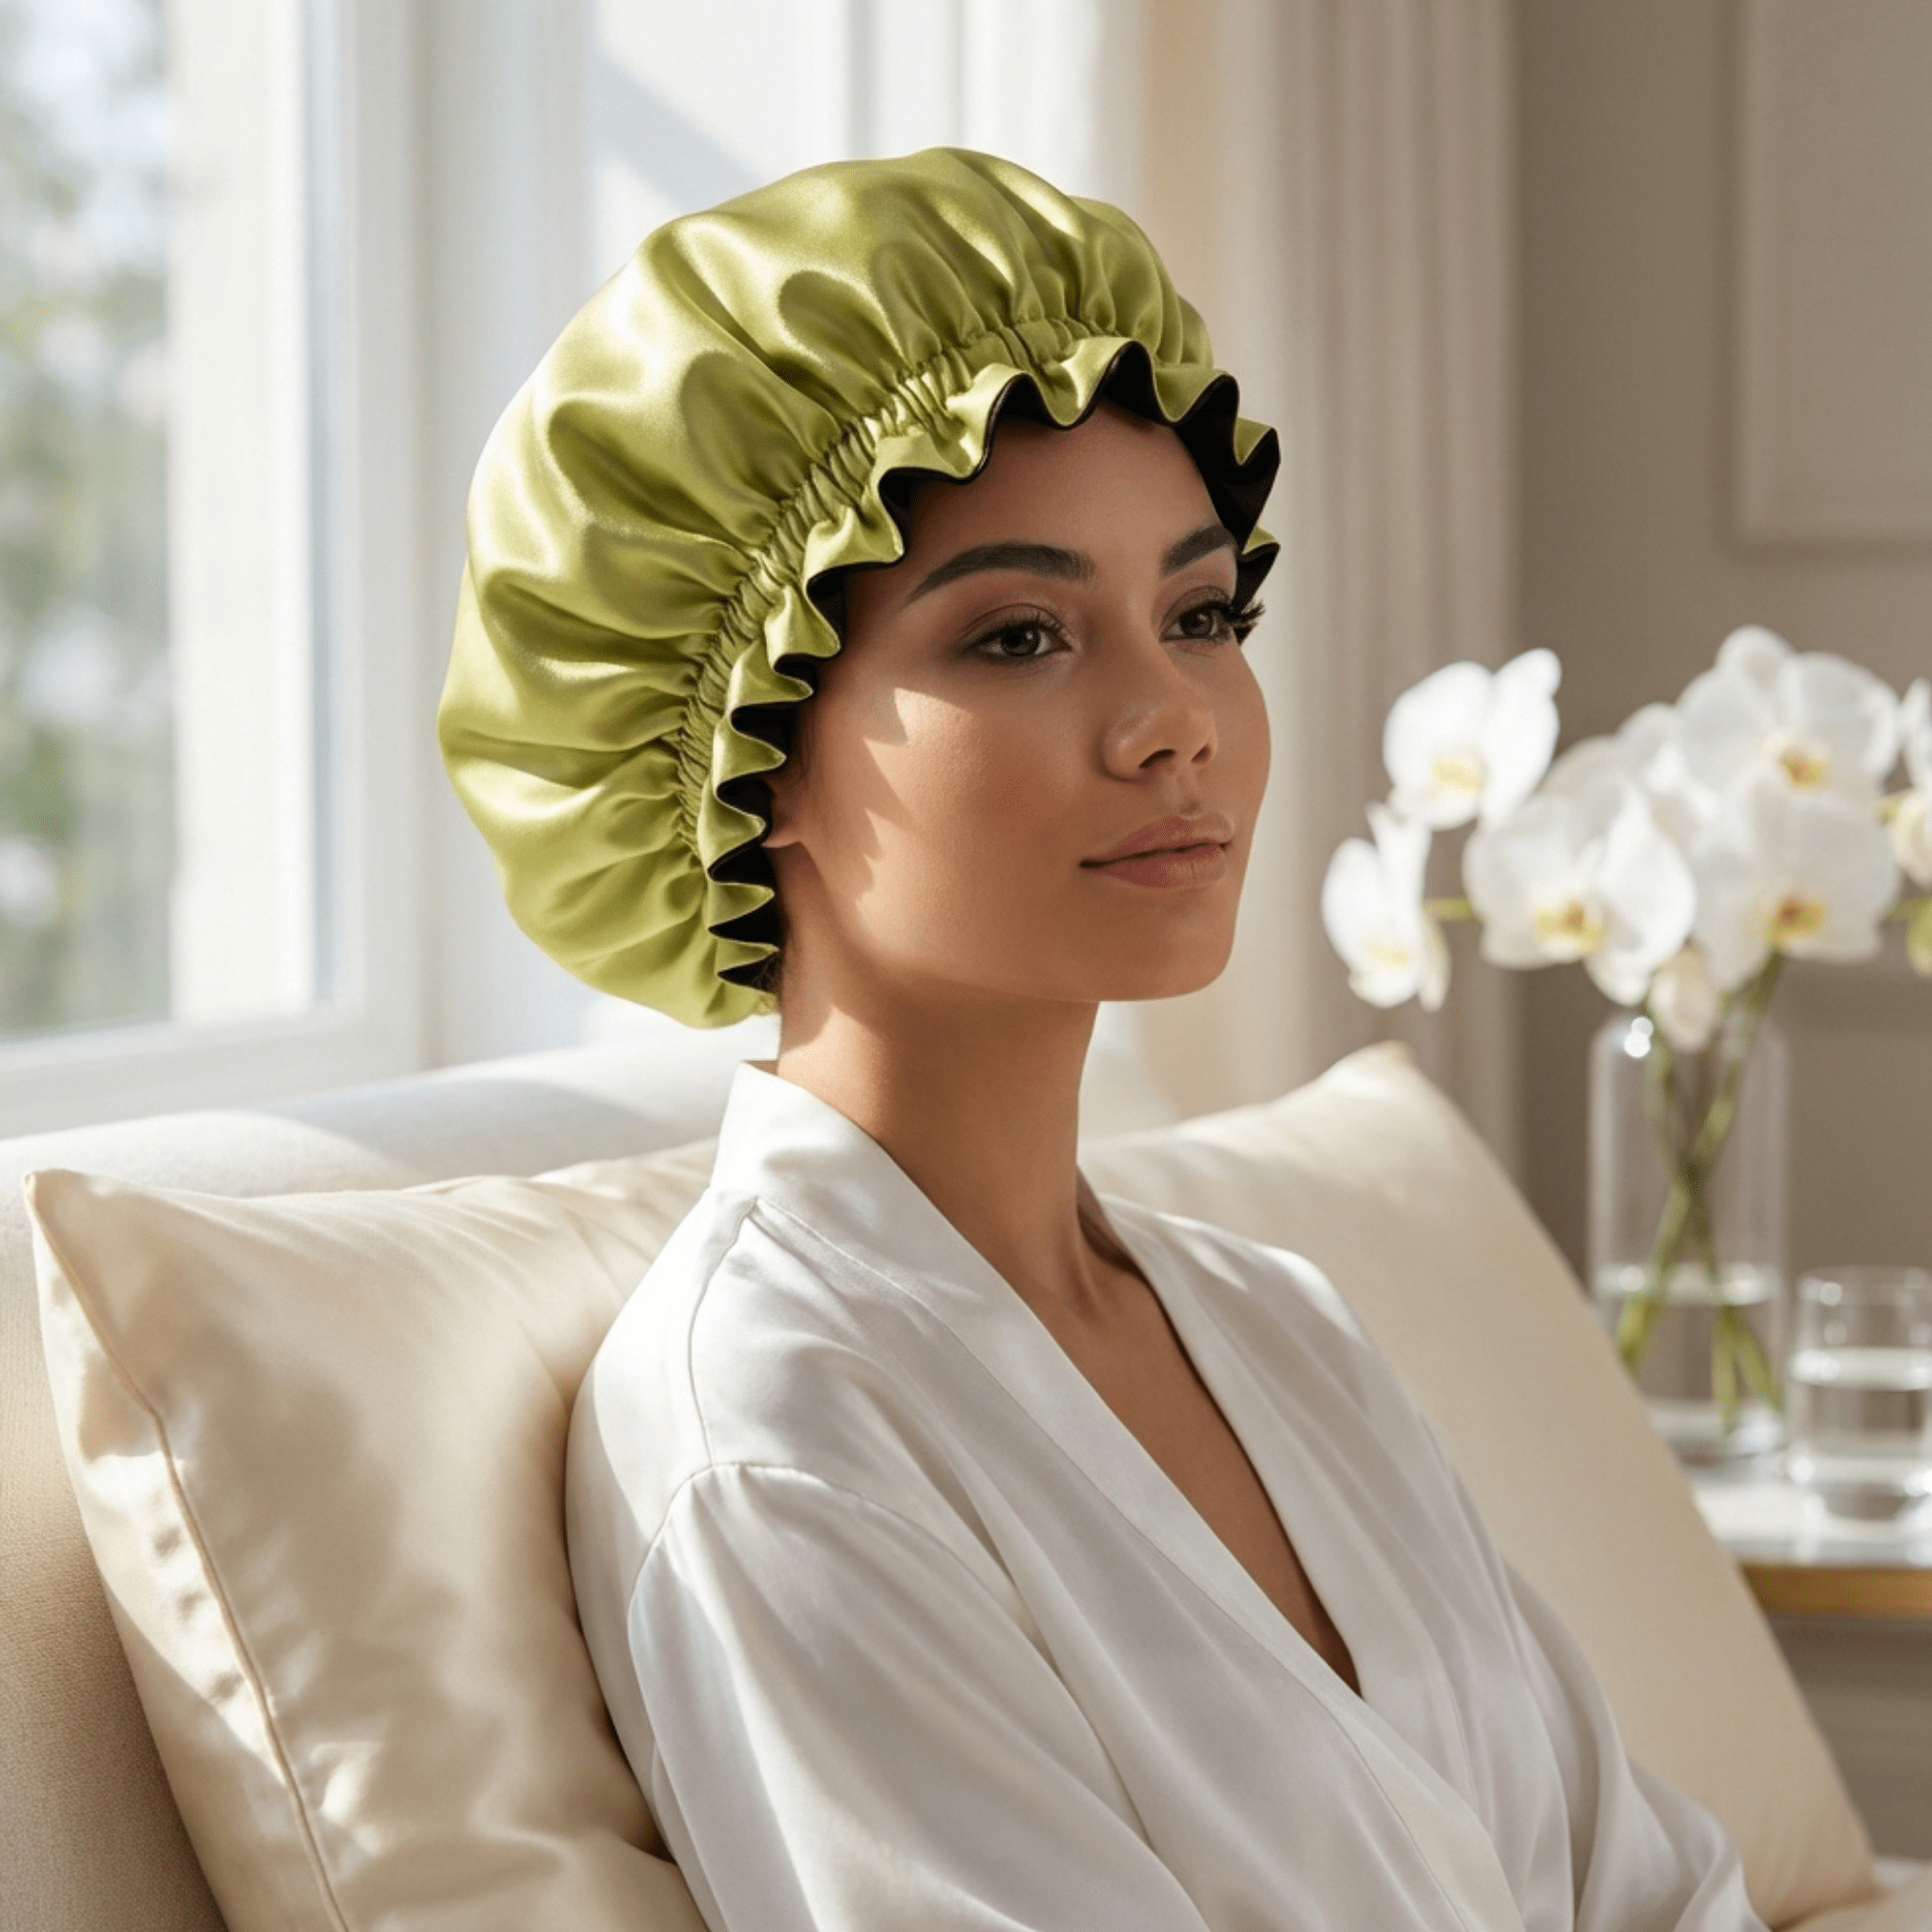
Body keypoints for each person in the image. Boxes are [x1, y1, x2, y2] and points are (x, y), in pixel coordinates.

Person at [440, 149, 1764, 1932]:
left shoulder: (1273, 1320)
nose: (1172, 722)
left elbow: (1661, 1884)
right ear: (747, 756)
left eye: (1203, 615)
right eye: (1018, 634)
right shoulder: (775, 1436)